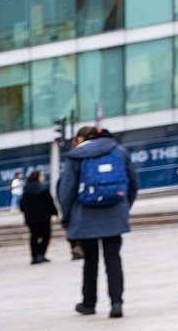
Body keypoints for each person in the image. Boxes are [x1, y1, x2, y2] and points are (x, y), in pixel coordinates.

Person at [58, 125, 139, 318]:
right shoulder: (119, 151)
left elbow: (66, 190)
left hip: (85, 215)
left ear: (82, 139)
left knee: (90, 262)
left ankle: (89, 303)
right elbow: (134, 183)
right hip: (114, 213)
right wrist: (124, 207)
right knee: (113, 259)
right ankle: (116, 303)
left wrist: (67, 217)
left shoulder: (77, 155)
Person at [19, 169, 57, 264]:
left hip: (31, 218)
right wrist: (55, 213)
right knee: (46, 235)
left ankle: (34, 256)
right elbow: (49, 203)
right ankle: (41, 254)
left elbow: (22, 205)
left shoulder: (26, 190)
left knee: (34, 236)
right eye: (42, 176)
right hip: (43, 217)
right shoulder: (43, 190)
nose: (44, 178)